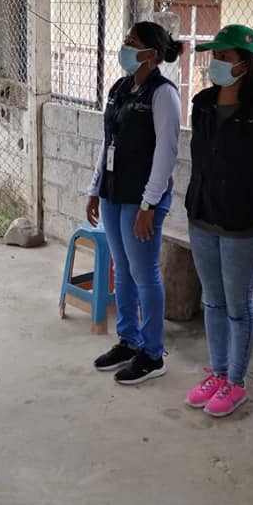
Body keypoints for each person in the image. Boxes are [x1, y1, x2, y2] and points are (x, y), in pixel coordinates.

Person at [183, 24, 253, 417]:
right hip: (202, 218)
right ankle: (217, 373)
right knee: (212, 302)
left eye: (224, 57)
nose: (215, 63)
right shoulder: (202, 103)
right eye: (214, 56)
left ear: (245, 64)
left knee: (236, 306)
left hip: (244, 228)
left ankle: (236, 382)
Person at [86, 21, 182, 385]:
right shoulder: (120, 88)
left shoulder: (163, 94)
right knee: (122, 269)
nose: (125, 46)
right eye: (126, 39)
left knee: (144, 274)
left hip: (142, 199)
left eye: (133, 42)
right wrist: (95, 188)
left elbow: (166, 153)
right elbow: (107, 142)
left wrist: (149, 205)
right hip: (113, 192)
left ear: (152, 54)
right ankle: (128, 340)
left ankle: (153, 353)